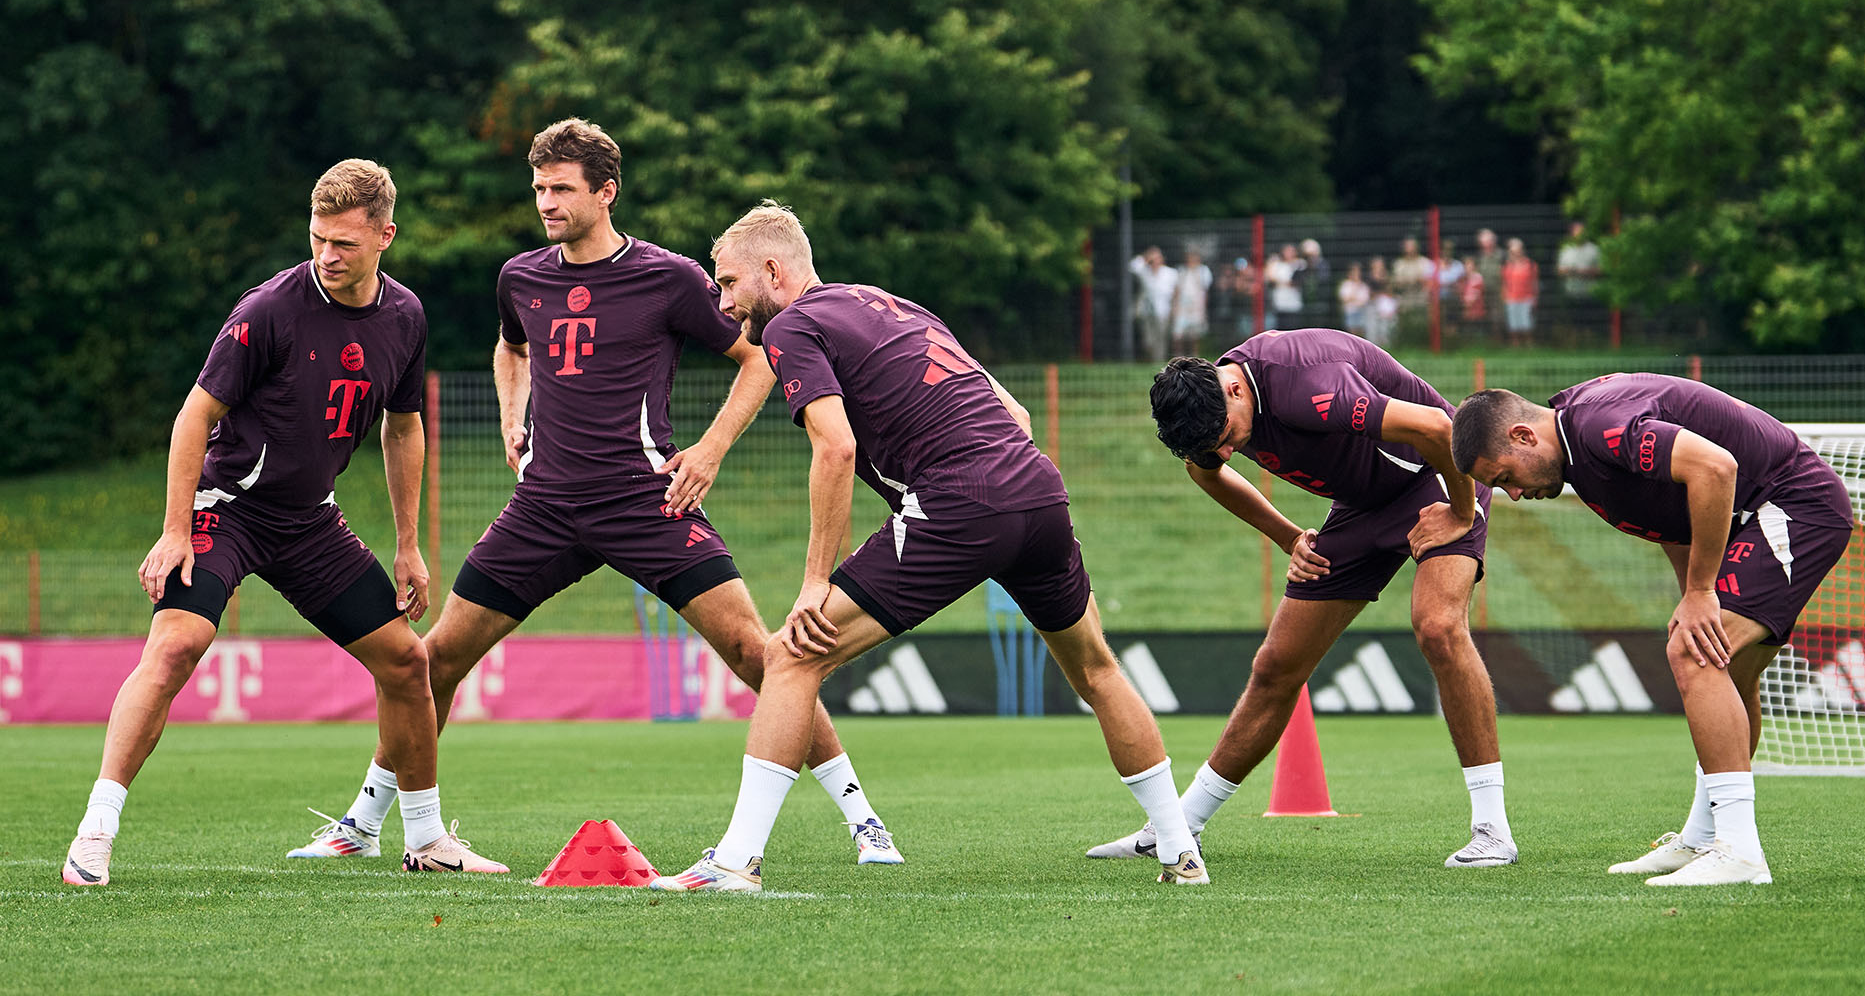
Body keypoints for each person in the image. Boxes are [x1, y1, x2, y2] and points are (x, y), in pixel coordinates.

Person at [289, 122, 900, 868]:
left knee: (756, 651)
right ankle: (363, 822)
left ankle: (864, 820)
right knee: (435, 659)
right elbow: (510, 346)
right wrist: (513, 415)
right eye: (539, 187)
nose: (545, 201)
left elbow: (760, 359)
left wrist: (708, 449)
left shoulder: (671, 277)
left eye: (562, 189)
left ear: (605, 192)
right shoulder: (520, 276)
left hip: (646, 504)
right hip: (543, 508)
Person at [652, 201, 1208, 892]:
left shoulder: (793, 326)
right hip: (1036, 490)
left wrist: (813, 583)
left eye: (729, 282)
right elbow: (1017, 415)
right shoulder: (893, 303)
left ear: (774, 269)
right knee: (1097, 669)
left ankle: (734, 863)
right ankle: (1182, 853)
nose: (723, 301)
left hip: (960, 501)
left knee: (791, 656)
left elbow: (836, 448)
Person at [63, 160, 504, 885]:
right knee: (178, 645)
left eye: (346, 244)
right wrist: (176, 530)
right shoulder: (268, 308)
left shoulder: (406, 316)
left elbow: (404, 428)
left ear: (385, 236)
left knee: (408, 661)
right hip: (227, 510)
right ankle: (95, 833)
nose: (327, 256)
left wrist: (407, 546)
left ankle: (425, 839)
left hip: (309, 524)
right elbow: (193, 416)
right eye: (318, 238)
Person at [1085, 330, 1516, 869]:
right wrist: (1289, 537)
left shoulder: (1306, 382)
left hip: (1438, 479)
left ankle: (1492, 830)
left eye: (1224, 436)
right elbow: (1206, 472)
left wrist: (1459, 510)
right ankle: (1179, 826)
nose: (1224, 451)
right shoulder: (1210, 415)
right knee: (1276, 666)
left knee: (1437, 627)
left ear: (1235, 392)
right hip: (1361, 507)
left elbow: (1436, 427)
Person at [1450, 377, 1853, 886]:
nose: (1513, 492)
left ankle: (1740, 850)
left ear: (1524, 436)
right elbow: (1674, 519)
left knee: (1695, 652)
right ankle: (1705, 839)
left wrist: (1703, 594)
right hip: (1755, 517)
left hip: (1795, 505)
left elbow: (1714, 466)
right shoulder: (1577, 456)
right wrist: (1692, 594)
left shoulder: (1598, 426)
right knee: (1722, 664)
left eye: (1505, 475)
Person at [1130, 246, 1176, 361]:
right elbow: (1132, 266)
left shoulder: (1170, 273)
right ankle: (1151, 358)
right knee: (1148, 339)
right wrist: (1146, 257)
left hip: (1163, 310)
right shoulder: (1145, 271)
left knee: (1161, 337)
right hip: (1146, 310)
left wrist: (1174, 308)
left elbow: (1175, 292)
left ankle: (1158, 361)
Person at [1170, 248, 1213, 357]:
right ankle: (1178, 356)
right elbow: (1177, 290)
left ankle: (1194, 357)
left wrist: (1203, 308)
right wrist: (1175, 306)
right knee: (1178, 334)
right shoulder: (1181, 271)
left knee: (1194, 335)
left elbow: (1205, 291)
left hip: (1196, 307)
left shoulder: (1203, 271)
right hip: (1182, 307)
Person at [1500, 237, 1539, 347]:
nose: (1515, 253)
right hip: (1511, 298)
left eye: (1517, 250)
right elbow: (1504, 283)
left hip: (1527, 298)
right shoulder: (1507, 266)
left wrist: (1535, 298)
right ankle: (1515, 344)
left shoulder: (1530, 265)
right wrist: (1505, 297)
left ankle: (1529, 344)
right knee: (1513, 323)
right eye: (1512, 251)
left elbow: (1534, 283)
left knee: (1527, 322)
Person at [1264, 248, 1304, 331]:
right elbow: (1269, 277)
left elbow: (1295, 282)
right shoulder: (1278, 265)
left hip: (1293, 306)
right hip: (1279, 305)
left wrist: (1279, 281)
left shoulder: (1299, 264)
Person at [1338, 262, 1371, 333]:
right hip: (1350, 311)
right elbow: (1345, 299)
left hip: (1361, 311)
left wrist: (1353, 299)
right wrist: (1355, 288)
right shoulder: (1346, 284)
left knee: (1361, 331)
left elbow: (1365, 300)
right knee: (1352, 331)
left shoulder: (1363, 285)